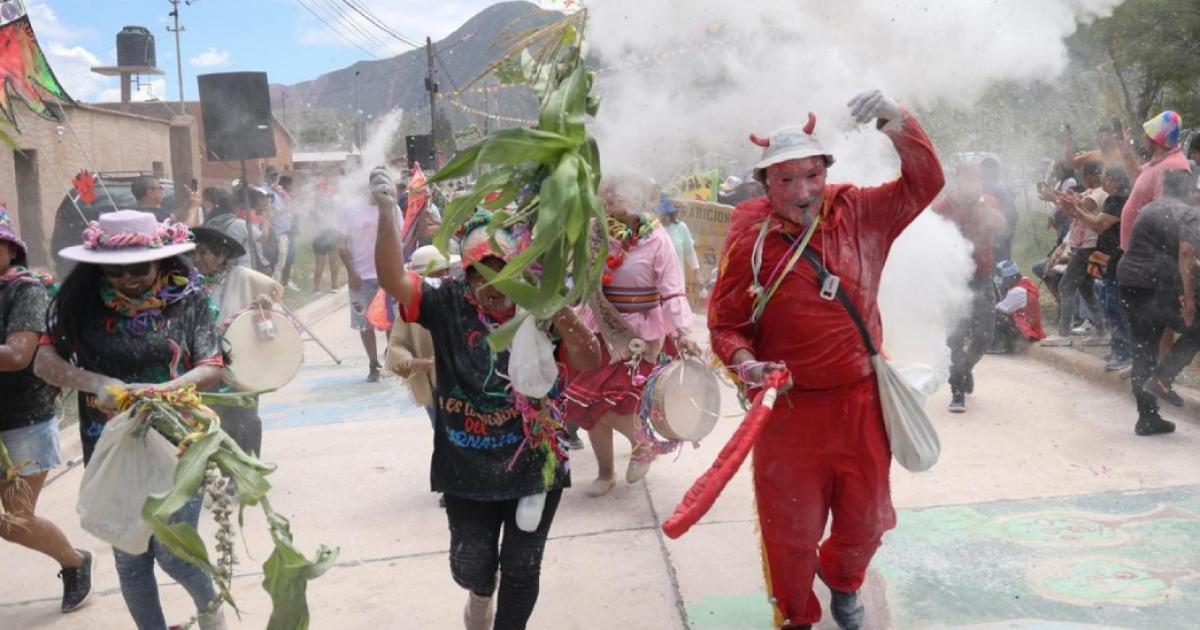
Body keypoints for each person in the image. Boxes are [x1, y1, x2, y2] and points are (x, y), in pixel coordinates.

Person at [708, 90, 944, 630]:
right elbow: (725, 325)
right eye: (786, 180)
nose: (802, 191)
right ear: (765, 184)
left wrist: (898, 120)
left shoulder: (860, 212)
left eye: (812, 176)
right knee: (789, 532)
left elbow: (925, 183)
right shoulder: (748, 238)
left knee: (867, 523)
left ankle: (842, 579)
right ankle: (797, 615)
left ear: (826, 172)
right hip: (787, 414)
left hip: (861, 405)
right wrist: (747, 365)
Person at [372, 166, 601, 630]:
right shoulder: (446, 302)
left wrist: (558, 310)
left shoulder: (541, 304)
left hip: (536, 459)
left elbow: (590, 358)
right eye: (483, 274)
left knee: (523, 565)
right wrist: (385, 211)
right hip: (466, 465)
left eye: (507, 272)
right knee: (471, 566)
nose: (496, 286)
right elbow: (393, 278)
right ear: (468, 273)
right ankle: (480, 593)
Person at [33, 210, 226, 629]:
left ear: (160, 260)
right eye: (115, 271)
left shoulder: (189, 299)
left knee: (175, 553)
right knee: (131, 558)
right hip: (109, 442)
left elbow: (212, 366)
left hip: (178, 440)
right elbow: (44, 363)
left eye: (138, 269)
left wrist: (166, 390)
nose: (128, 279)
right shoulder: (79, 302)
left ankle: (213, 618)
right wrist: (96, 382)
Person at [563, 174, 700, 497]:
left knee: (612, 403)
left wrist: (683, 331)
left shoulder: (657, 238)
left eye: (618, 192)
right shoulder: (594, 232)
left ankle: (643, 444)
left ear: (638, 197)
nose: (610, 198)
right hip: (599, 326)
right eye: (607, 192)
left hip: (640, 334)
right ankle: (606, 472)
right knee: (587, 405)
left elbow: (673, 290)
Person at [0, 208, 92, 614]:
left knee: (15, 522)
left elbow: (17, 356)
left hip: (23, 420)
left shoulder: (25, 291)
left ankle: (74, 561)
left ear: (11, 249)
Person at [192, 225, 284, 456]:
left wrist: (265, 306)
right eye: (194, 253)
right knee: (209, 422)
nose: (197, 259)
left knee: (244, 421)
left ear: (222, 255)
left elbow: (274, 311)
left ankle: (246, 465)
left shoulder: (242, 277)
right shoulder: (190, 283)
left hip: (240, 365)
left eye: (204, 253)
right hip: (203, 365)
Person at [1117, 170, 1195, 437]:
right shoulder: (1186, 212)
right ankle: (1163, 377)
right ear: (1189, 190)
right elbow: (1186, 253)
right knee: (1196, 328)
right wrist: (1189, 300)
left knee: (1143, 347)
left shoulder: (1151, 207)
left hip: (1129, 279)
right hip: (1155, 282)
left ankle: (1147, 417)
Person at [932, 163, 1007, 413]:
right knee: (955, 336)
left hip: (982, 277)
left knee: (984, 334)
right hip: (953, 280)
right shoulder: (943, 207)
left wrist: (982, 206)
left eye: (976, 180)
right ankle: (957, 390)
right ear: (957, 182)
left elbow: (1001, 226)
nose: (972, 185)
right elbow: (927, 234)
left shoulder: (987, 202)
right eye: (967, 179)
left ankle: (964, 369)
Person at [385, 244, 459, 428]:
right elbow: (395, 347)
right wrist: (417, 363)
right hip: (435, 387)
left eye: (445, 273)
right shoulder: (413, 308)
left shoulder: (462, 298)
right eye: (437, 275)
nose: (443, 278)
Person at [1068, 166, 1133, 370]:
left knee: (1114, 304)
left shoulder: (1117, 199)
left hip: (1115, 258)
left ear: (1111, 179)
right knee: (1107, 299)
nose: (1101, 179)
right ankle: (1119, 346)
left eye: (1103, 176)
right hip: (1110, 257)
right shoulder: (1120, 197)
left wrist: (1076, 210)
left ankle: (1124, 352)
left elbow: (1097, 225)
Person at [1043, 160, 1108, 345]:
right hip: (1083, 246)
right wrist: (1058, 197)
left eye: (1085, 175)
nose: (1084, 179)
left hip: (1087, 247)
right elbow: (1073, 205)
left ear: (1090, 175)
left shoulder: (1098, 194)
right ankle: (1102, 331)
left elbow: (1076, 210)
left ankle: (1064, 334)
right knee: (1086, 289)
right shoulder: (1091, 192)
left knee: (1066, 286)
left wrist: (1055, 199)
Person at [338, 179, 395, 383]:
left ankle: (391, 359)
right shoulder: (349, 209)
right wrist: (351, 271)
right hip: (361, 279)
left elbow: (399, 240)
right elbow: (342, 244)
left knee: (390, 320)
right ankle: (373, 363)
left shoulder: (391, 207)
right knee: (364, 323)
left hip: (386, 276)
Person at [1119, 110, 1192, 253]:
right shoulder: (1160, 160)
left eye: (1147, 133)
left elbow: (1165, 215)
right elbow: (1137, 176)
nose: (1143, 137)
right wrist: (1126, 151)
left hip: (1148, 254)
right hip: (1137, 250)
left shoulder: (1172, 166)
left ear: (1157, 137)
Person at [991, 261, 1045, 353]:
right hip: (1031, 326)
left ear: (1010, 279)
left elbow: (1002, 308)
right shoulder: (1024, 282)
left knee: (996, 315)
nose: (1002, 284)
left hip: (1028, 332)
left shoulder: (1017, 291)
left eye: (1004, 280)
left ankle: (1001, 346)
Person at [659, 195, 701, 299]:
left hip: (677, 283)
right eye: (662, 214)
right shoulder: (651, 230)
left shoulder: (681, 227)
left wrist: (697, 274)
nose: (664, 217)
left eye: (667, 214)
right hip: (657, 285)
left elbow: (689, 252)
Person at [981, 157, 1018, 263]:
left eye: (983, 170)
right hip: (1000, 227)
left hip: (1002, 228)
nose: (981, 174)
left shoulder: (998, 188)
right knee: (1000, 259)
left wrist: (999, 238)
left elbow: (1009, 212)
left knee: (1001, 260)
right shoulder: (991, 185)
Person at [311, 179, 343, 294]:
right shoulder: (331, 200)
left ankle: (317, 288)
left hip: (321, 233)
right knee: (332, 261)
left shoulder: (316, 202)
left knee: (321, 262)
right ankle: (333, 285)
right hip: (328, 232)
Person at [275, 174, 300, 292]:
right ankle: (278, 285)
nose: (292, 187)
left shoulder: (287, 197)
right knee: (283, 260)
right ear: (285, 185)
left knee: (290, 259)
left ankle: (286, 282)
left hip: (291, 231)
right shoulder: (279, 196)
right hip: (283, 231)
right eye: (291, 185)